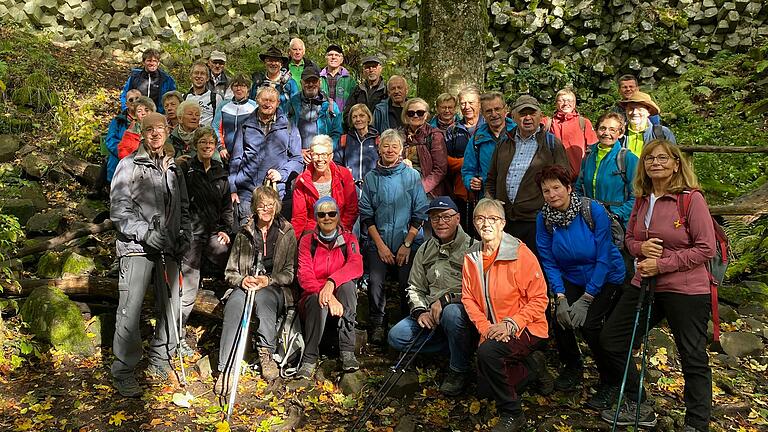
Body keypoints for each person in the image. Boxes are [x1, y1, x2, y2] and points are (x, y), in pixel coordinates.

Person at [599, 139, 715, 431]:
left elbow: (706, 249)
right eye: (650, 158)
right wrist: (642, 248)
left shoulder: (691, 199)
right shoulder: (641, 198)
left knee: (692, 355)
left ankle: (697, 422)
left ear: (676, 163)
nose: (656, 163)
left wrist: (661, 263)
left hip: (686, 288)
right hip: (646, 282)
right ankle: (639, 404)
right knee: (612, 339)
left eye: (663, 158)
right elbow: (629, 240)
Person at [109, 112, 191, 397]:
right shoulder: (128, 165)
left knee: (170, 305)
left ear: (168, 131)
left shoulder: (173, 169)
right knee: (130, 309)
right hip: (136, 248)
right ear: (141, 134)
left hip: (169, 248)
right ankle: (123, 370)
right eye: (149, 130)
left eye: (160, 129)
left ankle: (160, 358)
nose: (155, 134)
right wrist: (145, 233)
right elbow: (119, 211)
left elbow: (183, 208)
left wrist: (184, 236)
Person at [535, 165, 625, 409]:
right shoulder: (544, 219)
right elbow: (548, 259)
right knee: (561, 318)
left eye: (556, 188)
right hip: (572, 276)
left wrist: (587, 298)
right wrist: (560, 295)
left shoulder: (592, 210)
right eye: (546, 191)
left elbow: (604, 256)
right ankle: (573, 364)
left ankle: (610, 380)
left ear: (568, 187)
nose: (552, 195)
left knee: (591, 324)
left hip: (606, 276)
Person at [461, 198, 552, 432]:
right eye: (480, 218)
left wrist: (511, 324)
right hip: (493, 330)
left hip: (527, 327)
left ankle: (512, 413)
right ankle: (533, 368)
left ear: (502, 223)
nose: (486, 224)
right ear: (474, 223)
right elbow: (468, 298)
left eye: (492, 219)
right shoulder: (471, 257)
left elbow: (540, 299)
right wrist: (486, 328)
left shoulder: (520, 253)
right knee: (485, 390)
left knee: (488, 354)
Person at [388, 196, 476, 396]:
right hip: (431, 316)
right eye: (435, 218)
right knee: (396, 336)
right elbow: (414, 287)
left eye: (446, 217)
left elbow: (479, 292)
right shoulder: (425, 249)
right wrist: (420, 312)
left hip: (461, 313)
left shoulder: (473, 247)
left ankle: (458, 369)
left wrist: (445, 301)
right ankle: (457, 346)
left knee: (452, 314)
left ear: (458, 218)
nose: (440, 222)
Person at [216, 186, 297, 391]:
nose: (266, 210)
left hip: (273, 287)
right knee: (234, 305)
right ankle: (226, 367)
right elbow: (230, 272)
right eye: (261, 206)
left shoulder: (286, 232)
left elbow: (289, 273)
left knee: (265, 301)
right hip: (246, 284)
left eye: (270, 205)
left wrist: (268, 280)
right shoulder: (244, 232)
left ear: (277, 206)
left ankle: (266, 354)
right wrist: (243, 280)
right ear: (254, 208)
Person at [358, 129, 429, 344]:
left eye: (394, 147)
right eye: (386, 146)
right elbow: (367, 215)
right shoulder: (371, 178)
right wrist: (380, 246)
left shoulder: (412, 176)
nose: (389, 150)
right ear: (379, 148)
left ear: (401, 151)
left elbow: (420, 213)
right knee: (376, 280)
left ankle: (407, 323)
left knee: (407, 280)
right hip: (378, 242)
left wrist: (407, 244)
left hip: (407, 241)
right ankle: (377, 323)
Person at [485, 95, 569, 256]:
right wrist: (491, 205)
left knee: (536, 269)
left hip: (537, 222)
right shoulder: (504, 142)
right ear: (513, 117)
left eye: (532, 113)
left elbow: (564, 183)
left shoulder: (551, 144)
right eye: (523, 114)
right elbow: (491, 179)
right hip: (505, 221)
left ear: (540, 116)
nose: (528, 118)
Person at [177, 127, 233, 357]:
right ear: (195, 144)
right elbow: (179, 203)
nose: (207, 146)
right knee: (188, 280)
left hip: (212, 233)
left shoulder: (221, 172)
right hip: (191, 233)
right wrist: (183, 229)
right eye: (203, 142)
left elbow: (227, 207)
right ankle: (177, 330)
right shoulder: (186, 169)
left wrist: (227, 229)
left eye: (211, 142)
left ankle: (226, 306)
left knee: (225, 252)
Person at [295, 196, 364, 379]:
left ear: (338, 216)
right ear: (316, 218)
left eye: (332, 213)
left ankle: (347, 352)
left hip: (340, 298)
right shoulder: (307, 241)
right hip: (313, 299)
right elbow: (305, 276)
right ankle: (309, 359)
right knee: (319, 301)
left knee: (348, 287)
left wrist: (331, 282)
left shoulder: (349, 238)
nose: (327, 217)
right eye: (322, 214)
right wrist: (327, 294)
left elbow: (356, 266)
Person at [228, 86, 303, 223]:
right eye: (264, 99)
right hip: (247, 192)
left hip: (277, 192)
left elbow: (298, 159)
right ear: (257, 100)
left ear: (278, 103)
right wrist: (232, 189)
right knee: (247, 236)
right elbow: (236, 159)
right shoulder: (245, 125)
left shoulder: (288, 126)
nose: (267, 103)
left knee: (275, 239)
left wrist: (282, 174)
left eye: (272, 100)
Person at [574, 112, 639, 226]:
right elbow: (579, 188)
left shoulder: (628, 158)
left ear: (620, 133)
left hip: (617, 222)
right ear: (596, 130)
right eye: (602, 128)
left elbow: (637, 195)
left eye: (612, 130)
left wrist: (616, 213)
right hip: (590, 220)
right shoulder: (589, 156)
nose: (606, 133)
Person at [292, 135, 358, 236]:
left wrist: (342, 231)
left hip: (340, 227)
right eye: (316, 155)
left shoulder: (344, 175)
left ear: (331, 156)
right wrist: (294, 244)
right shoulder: (302, 181)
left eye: (324, 154)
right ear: (310, 155)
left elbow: (351, 209)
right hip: (313, 229)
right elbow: (299, 217)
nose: (319, 159)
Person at [461, 92, 514, 203]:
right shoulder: (477, 138)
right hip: (488, 197)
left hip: (515, 196)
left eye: (497, 109)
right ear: (482, 114)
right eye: (489, 111)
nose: (494, 114)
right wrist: (471, 181)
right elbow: (467, 171)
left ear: (505, 109)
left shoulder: (517, 133)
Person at [446, 87, 484, 233]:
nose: (467, 107)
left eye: (471, 102)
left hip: (485, 189)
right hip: (461, 191)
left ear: (479, 104)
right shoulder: (453, 129)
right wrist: (465, 163)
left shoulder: (487, 127)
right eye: (463, 103)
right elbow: (445, 160)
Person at [287, 65, 343, 154]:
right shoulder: (292, 103)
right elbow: (285, 131)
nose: (311, 84)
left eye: (314, 81)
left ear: (319, 82)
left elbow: (337, 133)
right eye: (307, 81)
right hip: (297, 156)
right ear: (301, 83)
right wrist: (297, 151)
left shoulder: (330, 105)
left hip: (322, 158)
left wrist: (324, 151)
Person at [545, 88, 598, 178]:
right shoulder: (548, 123)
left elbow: (594, 148)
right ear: (556, 103)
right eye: (561, 100)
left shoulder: (583, 122)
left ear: (574, 104)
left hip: (580, 177)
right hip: (556, 178)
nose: (565, 104)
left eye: (569, 100)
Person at [401, 98, 447, 197]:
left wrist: (422, 187)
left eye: (420, 113)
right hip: (401, 188)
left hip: (428, 191)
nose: (415, 116)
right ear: (406, 115)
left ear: (426, 115)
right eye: (411, 113)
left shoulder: (434, 135)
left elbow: (440, 170)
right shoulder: (399, 135)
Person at [212, 74, 257, 161]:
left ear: (248, 89)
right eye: (236, 86)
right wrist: (221, 147)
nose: (239, 89)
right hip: (226, 153)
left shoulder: (254, 106)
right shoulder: (224, 105)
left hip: (247, 153)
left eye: (243, 86)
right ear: (232, 88)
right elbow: (215, 127)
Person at [333, 103, 379, 190]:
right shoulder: (344, 139)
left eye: (362, 116)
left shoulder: (377, 139)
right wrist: (345, 175)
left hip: (373, 187)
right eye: (354, 117)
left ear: (368, 118)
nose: (358, 119)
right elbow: (336, 163)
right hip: (350, 187)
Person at [120, 48, 177, 114]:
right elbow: (124, 94)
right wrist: (126, 109)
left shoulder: (166, 79)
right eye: (149, 61)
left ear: (158, 63)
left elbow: (174, 98)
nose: (152, 63)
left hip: (158, 116)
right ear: (143, 62)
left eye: (155, 61)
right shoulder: (134, 77)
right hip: (137, 115)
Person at [619, 91, 676, 157]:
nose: (634, 112)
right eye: (631, 109)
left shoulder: (662, 133)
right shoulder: (618, 133)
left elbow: (673, 158)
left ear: (648, 112)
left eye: (639, 109)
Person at [248, 45, 298, 115]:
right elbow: (251, 104)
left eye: (276, 61)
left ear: (281, 64)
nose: (273, 63)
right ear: (265, 63)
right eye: (270, 60)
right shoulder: (258, 83)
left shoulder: (290, 83)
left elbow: (297, 106)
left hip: (283, 123)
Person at [105, 89, 141, 185]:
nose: (134, 102)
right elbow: (110, 140)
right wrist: (124, 152)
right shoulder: (118, 121)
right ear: (127, 104)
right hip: (119, 160)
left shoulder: (148, 119)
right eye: (131, 100)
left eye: (137, 98)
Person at [343, 55, 387, 128]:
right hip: (358, 132)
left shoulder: (386, 91)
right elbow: (347, 113)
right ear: (363, 71)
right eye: (367, 67)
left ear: (380, 69)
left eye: (374, 67)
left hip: (379, 133)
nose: (371, 70)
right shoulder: (357, 90)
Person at [184, 60, 223, 127]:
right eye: (196, 73)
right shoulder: (184, 98)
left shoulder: (216, 98)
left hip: (207, 135)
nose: (199, 76)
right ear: (190, 76)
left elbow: (220, 123)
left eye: (202, 73)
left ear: (207, 78)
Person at [319, 44, 356, 114]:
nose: (333, 57)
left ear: (341, 59)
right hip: (323, 120)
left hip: (343, 120)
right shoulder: (318, 79)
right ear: (326, 58)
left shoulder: (350, 81)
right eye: (330, 55)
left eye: (337, 55)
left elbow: (353, 104)